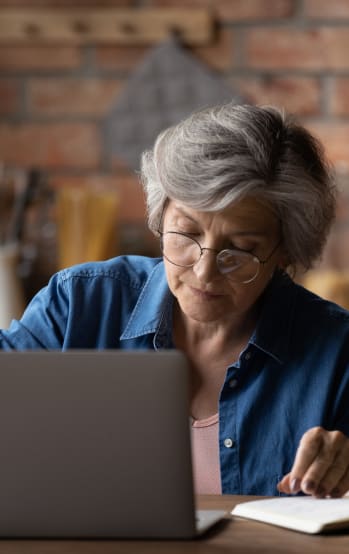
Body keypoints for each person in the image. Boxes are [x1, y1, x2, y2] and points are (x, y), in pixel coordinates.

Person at [1, 102, 349, 498]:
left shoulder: (337, 352)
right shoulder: (80, 303)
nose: (205, 271)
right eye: (186, 235)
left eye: (240, 249)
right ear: (160, 215)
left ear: (285, 251)